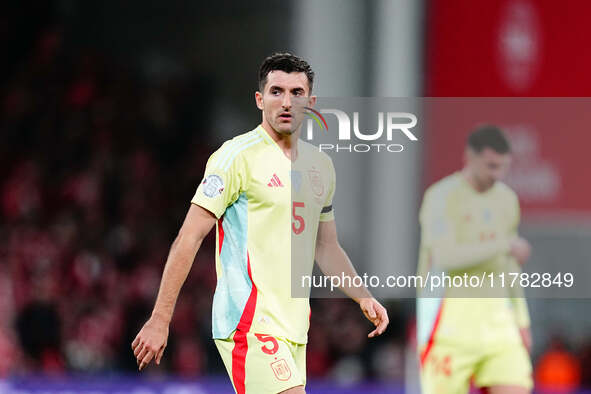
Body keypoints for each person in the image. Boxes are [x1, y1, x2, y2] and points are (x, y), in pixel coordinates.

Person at [131, 52, 389, 394]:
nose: (286, 102)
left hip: (294, 329)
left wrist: (362, 297)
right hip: (248, 322)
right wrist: (160, 319)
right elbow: (189, 237)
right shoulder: (235, 157)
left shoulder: (320, 166)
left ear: (310, 102)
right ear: (259, 99)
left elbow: (325, 246)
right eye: (276, 91)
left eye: (296, 93)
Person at [416, 125, 532, 394]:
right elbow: (445, 256)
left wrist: (522, 322)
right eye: (491, 166)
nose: (497, 175)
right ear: (469, 157)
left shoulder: (507, 199)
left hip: (500, 332)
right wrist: (503, 245)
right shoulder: (441, 197)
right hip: (446, 331)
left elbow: (509, 267)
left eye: (503, 167)